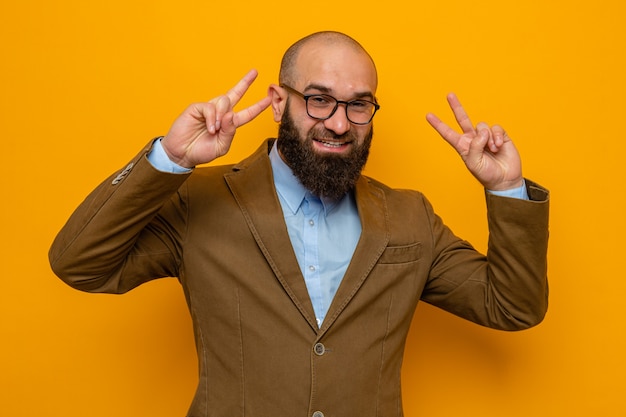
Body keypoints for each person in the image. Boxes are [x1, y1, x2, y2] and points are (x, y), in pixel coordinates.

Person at [49, 31, 549, 417]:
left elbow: (512, 307)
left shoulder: (409, 215)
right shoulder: (198, 201)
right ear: (277, 100)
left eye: (358, 104)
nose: (338, 122)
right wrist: (171, 159)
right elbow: (79, 264)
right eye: (318, 98)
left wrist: (504, 188)